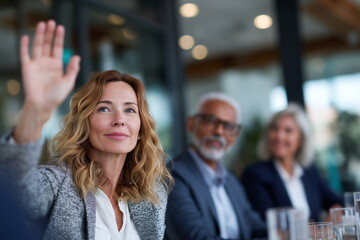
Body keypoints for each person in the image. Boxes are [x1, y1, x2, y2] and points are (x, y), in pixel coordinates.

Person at [0, 19, 172, 240]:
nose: (119, 120)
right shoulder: (59, 183)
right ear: (84, 123)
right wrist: (35, 111)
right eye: (104, 109)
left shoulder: (152, 193)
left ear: (140, 129)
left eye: (130, 110)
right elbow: (15, 190)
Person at [165, 92, 266, 240]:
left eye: (229, 126)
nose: (219, 131)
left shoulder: (230, 179)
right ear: (191, 124)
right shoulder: (171, 176)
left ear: (236, 136)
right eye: (210, 120)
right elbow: (197, 238)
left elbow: (256, 227)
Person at [241, 103, 343, 222]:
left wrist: (325, 227)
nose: (279, 136)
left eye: (288, 131)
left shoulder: (309, 171)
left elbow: (337, 202)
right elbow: (267, 221)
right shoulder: (255, 173)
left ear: (301, 139)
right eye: (274, 129)